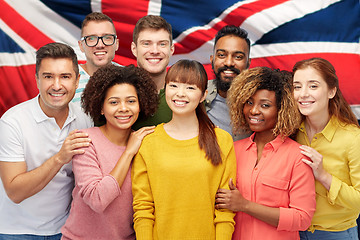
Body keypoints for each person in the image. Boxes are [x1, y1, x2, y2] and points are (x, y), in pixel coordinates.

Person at [132, 59, 236, 239]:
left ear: (203, 95)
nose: (180, 94)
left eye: (190, 88)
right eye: (174, 85)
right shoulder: (149, 142)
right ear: (166, 89)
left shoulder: (222, 140)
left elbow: (225, 210)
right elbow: (143, 207)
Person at [0, 42, 93, 240]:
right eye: (48, 76)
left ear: (77, 81)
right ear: (37, 80)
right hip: (15, 231)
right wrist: (60, 157)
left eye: (65, 77)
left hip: (64, 230)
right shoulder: (12, 122)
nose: (57, 85)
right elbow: (15, 192)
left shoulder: (85, 119)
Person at [216, 67, 316, 240]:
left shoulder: (298, 157)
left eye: (265, 105)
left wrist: (245, 205)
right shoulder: (233, 150)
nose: (254, 111)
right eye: (249, 102)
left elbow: (303, 218)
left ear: (282, 110)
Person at [61, 64, 158, 239]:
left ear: (141, 104)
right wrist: (128, 153)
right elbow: (97, 200)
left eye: (131, 101)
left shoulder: (146, 144)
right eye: (114, 102)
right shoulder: (86, 141)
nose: (123, 108)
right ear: (100, 107)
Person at [292, 57, 360, 240]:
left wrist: (323, 176)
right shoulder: (289, 132)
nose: (303, 94)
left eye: (313, 86)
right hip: (293, 232)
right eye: (297, 87)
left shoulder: (353, 138)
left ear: (331, 91)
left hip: (336, 234)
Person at [205, 25, 251, 140]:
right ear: (212, 59)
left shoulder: (259, 101)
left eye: (238, 57)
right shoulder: (196, 94)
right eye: (221, 55)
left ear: (248, 63)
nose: (229, 62)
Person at [131, 15, 174, 130]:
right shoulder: (117, 91)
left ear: (171, 50)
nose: (155, 51)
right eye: (146, 43)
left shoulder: (185, 94)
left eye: (162, 44)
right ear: (134, 49)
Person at [72, 12, 119, 106]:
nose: (100, 45)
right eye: (91, 38)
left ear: (116, 44)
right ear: (81, 46)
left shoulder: (130, 77)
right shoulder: (66, 80)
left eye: (107, 38)